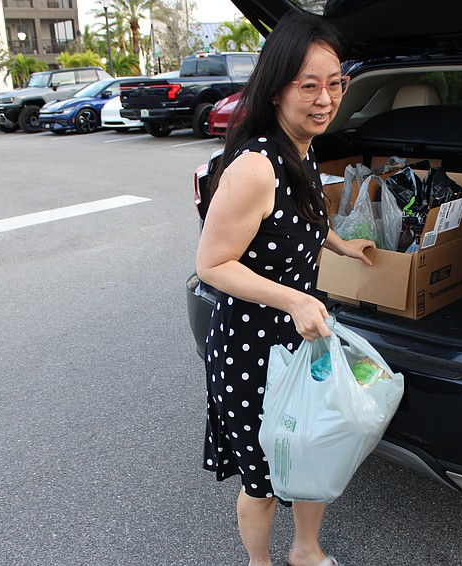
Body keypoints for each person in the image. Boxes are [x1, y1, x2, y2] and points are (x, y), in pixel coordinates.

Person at [195, 10, 376, 566]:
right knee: (265, 477)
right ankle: (261, 563)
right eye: (309, 86)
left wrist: (343, 246)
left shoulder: (303, 148)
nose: (326, 99)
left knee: (308, 452)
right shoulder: (254, 166)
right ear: (276, 91)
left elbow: (302, 218)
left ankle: (306, 551)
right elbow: (212, 263)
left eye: (336, 83)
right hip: (252, 344)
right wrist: (296, 297)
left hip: (298, 336)